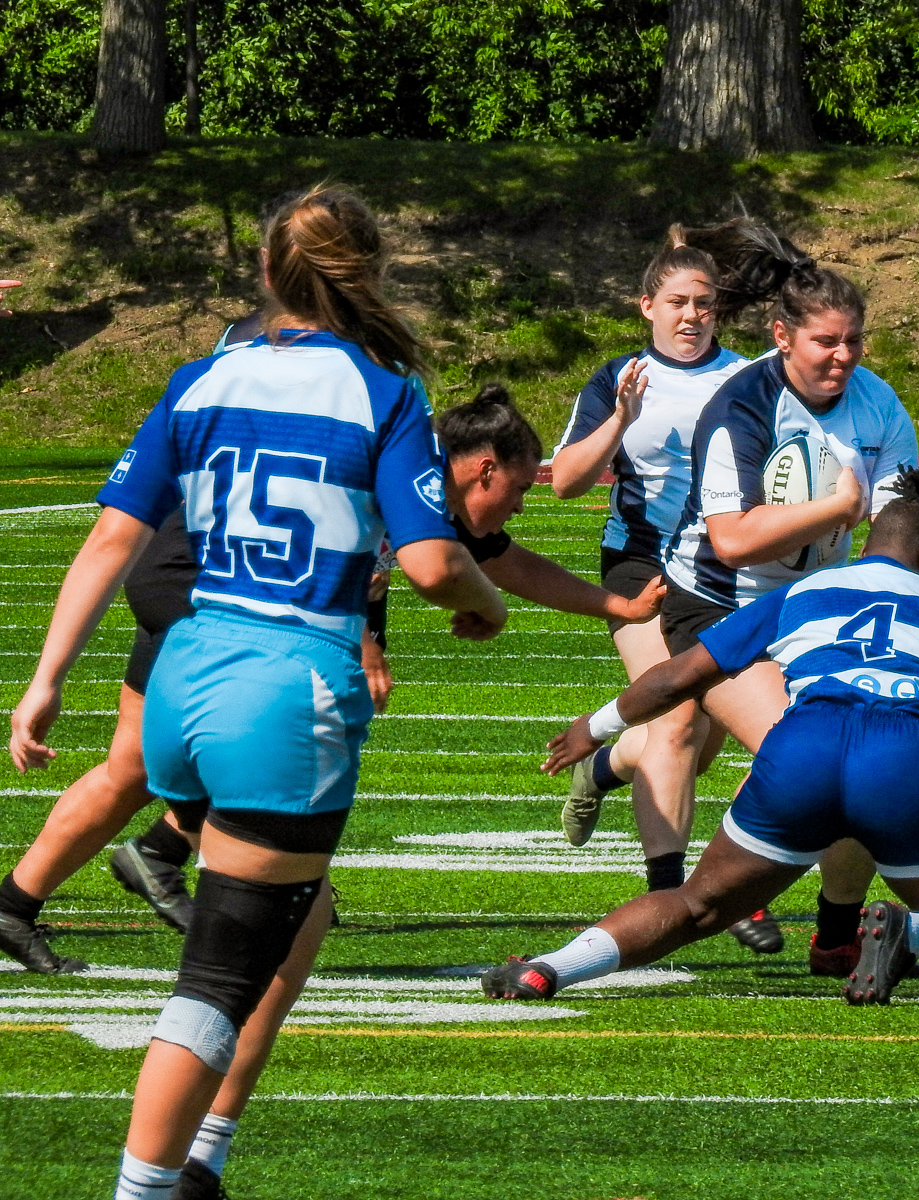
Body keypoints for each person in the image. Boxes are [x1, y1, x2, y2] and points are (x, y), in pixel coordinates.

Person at [8, 184, 509, 1200]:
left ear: (267, 277)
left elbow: (113, 535)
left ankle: (202, 1157)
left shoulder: (201, 379)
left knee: (298, 914)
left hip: (186, 673)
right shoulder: (382, 392)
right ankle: (158, 1182)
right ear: (364, 274)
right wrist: (487, 603)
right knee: (218, 978)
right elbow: (427, 563)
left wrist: (45, 678)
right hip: (285, 693)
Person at [482, 467, 919, 1006]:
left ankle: (549, 969)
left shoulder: (806, 592)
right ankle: (912, 933)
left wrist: (592, 729)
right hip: (901, 760)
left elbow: (676, 676)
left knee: (693, 907)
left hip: (801, 751)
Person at [652, 220, 919, 968]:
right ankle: (733, 886)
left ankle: (836, 929)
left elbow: (884, 531)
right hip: (722, 603)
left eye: (853, 342)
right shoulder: (741, 405)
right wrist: (836, 508)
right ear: (782, 336)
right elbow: (731, 539)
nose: (842, 358)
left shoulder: (877, 402)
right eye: (826, 343)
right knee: (812, 755)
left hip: (821, 605)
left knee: (854, 753)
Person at [549, 231, 747, 898]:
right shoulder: (619, 376)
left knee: (698, 737)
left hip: (721, 571)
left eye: (705, 304)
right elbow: (566, 483)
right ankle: (669, 890)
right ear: (647, 307)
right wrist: (619, 419)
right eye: (678, 302)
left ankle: (606, 766)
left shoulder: (749, 378)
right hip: (641, 565)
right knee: (680, 716)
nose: (692, 315)